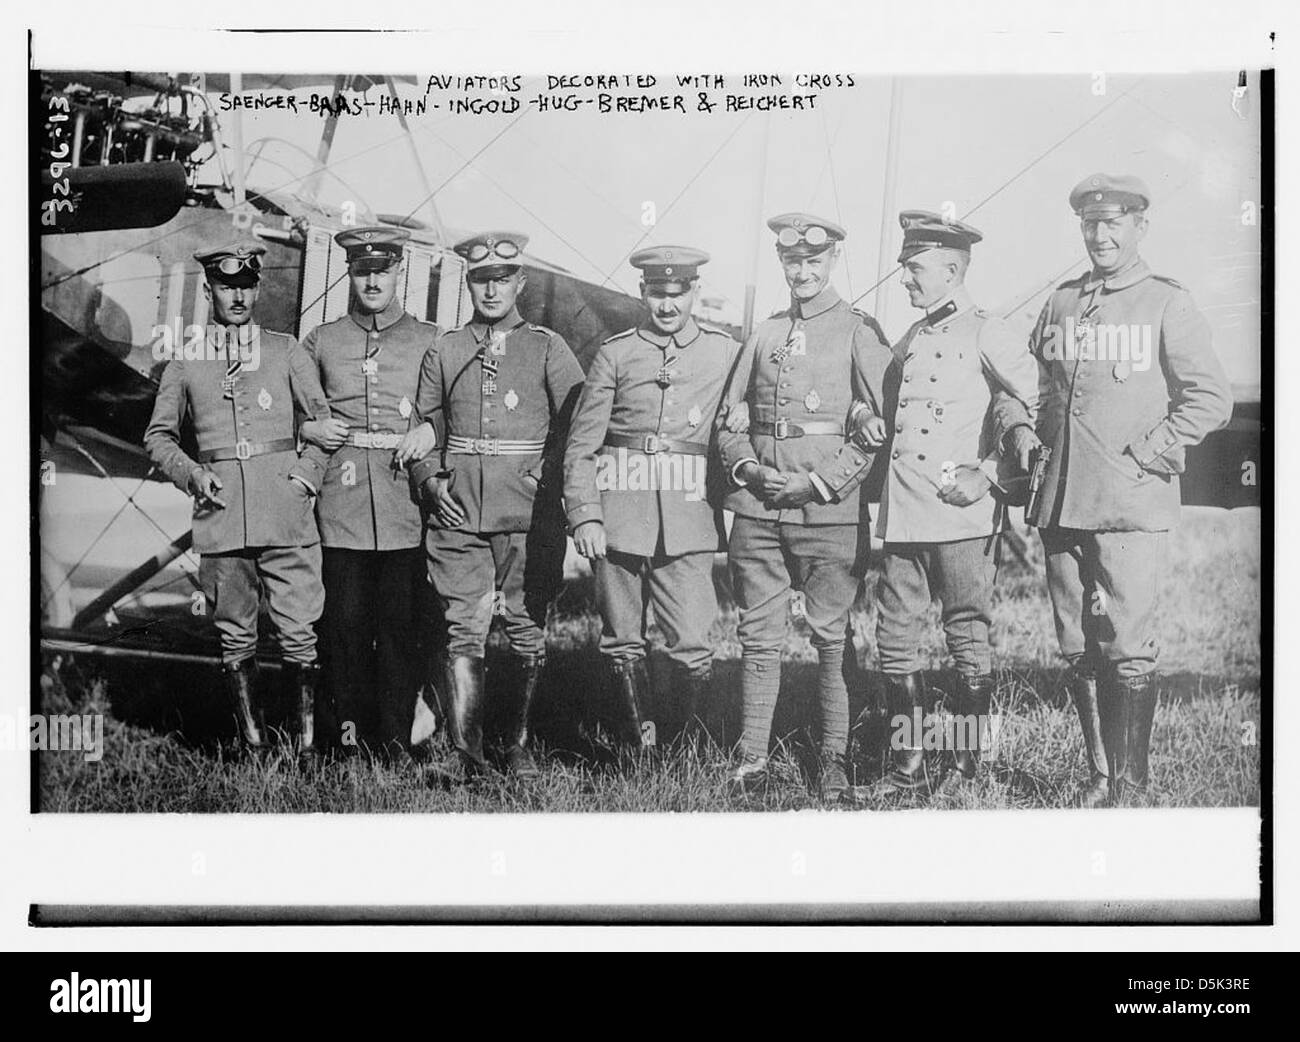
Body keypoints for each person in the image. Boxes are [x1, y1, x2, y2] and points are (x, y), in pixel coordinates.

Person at [994, 174, 1232, 806]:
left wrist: (1147, 452)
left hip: (1129, 504)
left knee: (1126, 649)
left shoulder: (1165, 302)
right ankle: (1100, 778)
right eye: (1090, 225)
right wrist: (1018, 429)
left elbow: (1210, 398)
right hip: (1059, 503)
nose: (1100, 235)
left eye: (1114, 223)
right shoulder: (1062, 302)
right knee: (1077, 646)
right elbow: (1023, 385)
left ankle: (1133, 785)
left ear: (1139, 228)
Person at [854, 211, 1039, 800]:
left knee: (966, 635)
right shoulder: (911, 337)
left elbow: (1035, 410)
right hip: (905, 512)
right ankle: (907, 767)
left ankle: (964, 769)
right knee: (897, 637)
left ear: (952, 269)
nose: (905, 279)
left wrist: (989, 476)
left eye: (915, 269)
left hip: (960, 513)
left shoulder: (990, 332)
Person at [715, 213, 892, 800]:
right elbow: (728, 421)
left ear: (833, 261)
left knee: (831, 638)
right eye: (793, 262)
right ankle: (752, 760)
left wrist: (817, 486)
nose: (803, 272)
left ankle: (835, 760)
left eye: (814, 261)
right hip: (759, 507)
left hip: (828, 513)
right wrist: (748, 469)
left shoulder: (857, 331)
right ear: (782, 264)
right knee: (759, 637)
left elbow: (874, 432)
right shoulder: (765, 333)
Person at [407, 231, 585, 781]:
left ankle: (518, 746)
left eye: (502, 279)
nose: (491, 290)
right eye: (481, 279)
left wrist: (548, 475)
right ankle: (470, 757)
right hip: (457, 510)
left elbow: (580, 422)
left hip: (526, 514)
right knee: (464, 628)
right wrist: (429, 481)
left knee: (527, 626)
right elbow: (422, 424)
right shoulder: (446, 349)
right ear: (469, 282)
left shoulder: (547, 347)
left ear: (519, 284)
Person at [144, 241, 331, 753]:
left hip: (286, 513)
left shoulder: (285, 349)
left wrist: (305, 480)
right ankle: (254, 748)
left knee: (299, 634)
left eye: (246, 285)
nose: (238, 296)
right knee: (235, 634)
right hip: (222, 516)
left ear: (257, 288)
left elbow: (323, 427)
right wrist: (191, 474)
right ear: (209, 291)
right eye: (227, 287)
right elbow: (158, 437)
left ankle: (307, 752)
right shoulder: (186, 360)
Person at [564, 246, 741, 747]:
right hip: (619, 514)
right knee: (622, 641)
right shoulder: (616, 353)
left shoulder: (723, 352)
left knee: (690, 641)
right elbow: (582, 446)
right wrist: (585, 516)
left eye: (677, 295)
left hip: (688, 515)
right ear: (643, 292)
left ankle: (684, 751)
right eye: (657, 295)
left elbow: (747, 406)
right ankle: (639, 751)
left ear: (694, 294)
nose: (667, 306)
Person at [298, 225, 441, 760]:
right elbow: (289, 401)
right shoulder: (321, 340)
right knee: (345, 630)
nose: (373, 279)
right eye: (363, 270)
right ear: (350, 273)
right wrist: (308, 428)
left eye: (383, 269)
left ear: (399, 270)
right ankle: (346, 743)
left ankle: (396, 742)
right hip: (343, 505)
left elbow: (456, 405)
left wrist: (435, 431)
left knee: (401, 633)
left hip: (404, 502)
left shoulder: (429, 340)